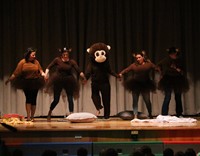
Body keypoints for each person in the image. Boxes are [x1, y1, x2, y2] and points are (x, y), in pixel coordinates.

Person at [45, 47, 86, 121]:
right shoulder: (57, 60)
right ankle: (50, 112)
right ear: (62, 55)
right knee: (56, 99)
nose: (66, 55)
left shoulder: (71, 62)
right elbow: (49, 67)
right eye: (64, 54)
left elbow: (78, 70)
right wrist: (46, 74)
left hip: (69, 80)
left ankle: (71, 114)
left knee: (70, 98)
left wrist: (83, 76)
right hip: (58, 80)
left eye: (67, 54)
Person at [5, 47, 45, 121]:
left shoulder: (36, 62)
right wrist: (9, 80)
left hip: (35, 81)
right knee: (28, 98)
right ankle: (28, 116)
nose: (34, 56)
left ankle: (32, 117)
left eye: (35, 55)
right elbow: (16, 73)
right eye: (33, 55)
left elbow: (40, 70)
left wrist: (43, 74)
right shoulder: (22, 62)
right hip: (26, 82)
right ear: (28, 55)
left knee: (34, 99)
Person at [119, 51, 156, 119]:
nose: (138, 59)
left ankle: (150, 114)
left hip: (145, 84)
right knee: (135, 100)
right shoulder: (134, 65)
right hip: (136, 84)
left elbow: (156, 68)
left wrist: (160, 72)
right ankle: (135, 115)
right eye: (137, 58)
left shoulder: (148, 64)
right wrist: (121, 73)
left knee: (147, 100)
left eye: (139, 57)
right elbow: (127, 70)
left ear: (143, 57)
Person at [157, 47, 189, 117]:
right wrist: (161, 74)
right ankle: (164, 114)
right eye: (170, 54)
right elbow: (159, 66)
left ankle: (179, 113)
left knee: (178, 97)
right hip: (168, 79)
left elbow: (182, 71)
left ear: (176, 53)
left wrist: (176, 68)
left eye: (173, 54)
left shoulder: (179, 60)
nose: (172, 55)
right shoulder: (166, 60)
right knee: (167, 96)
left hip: (178, 79)